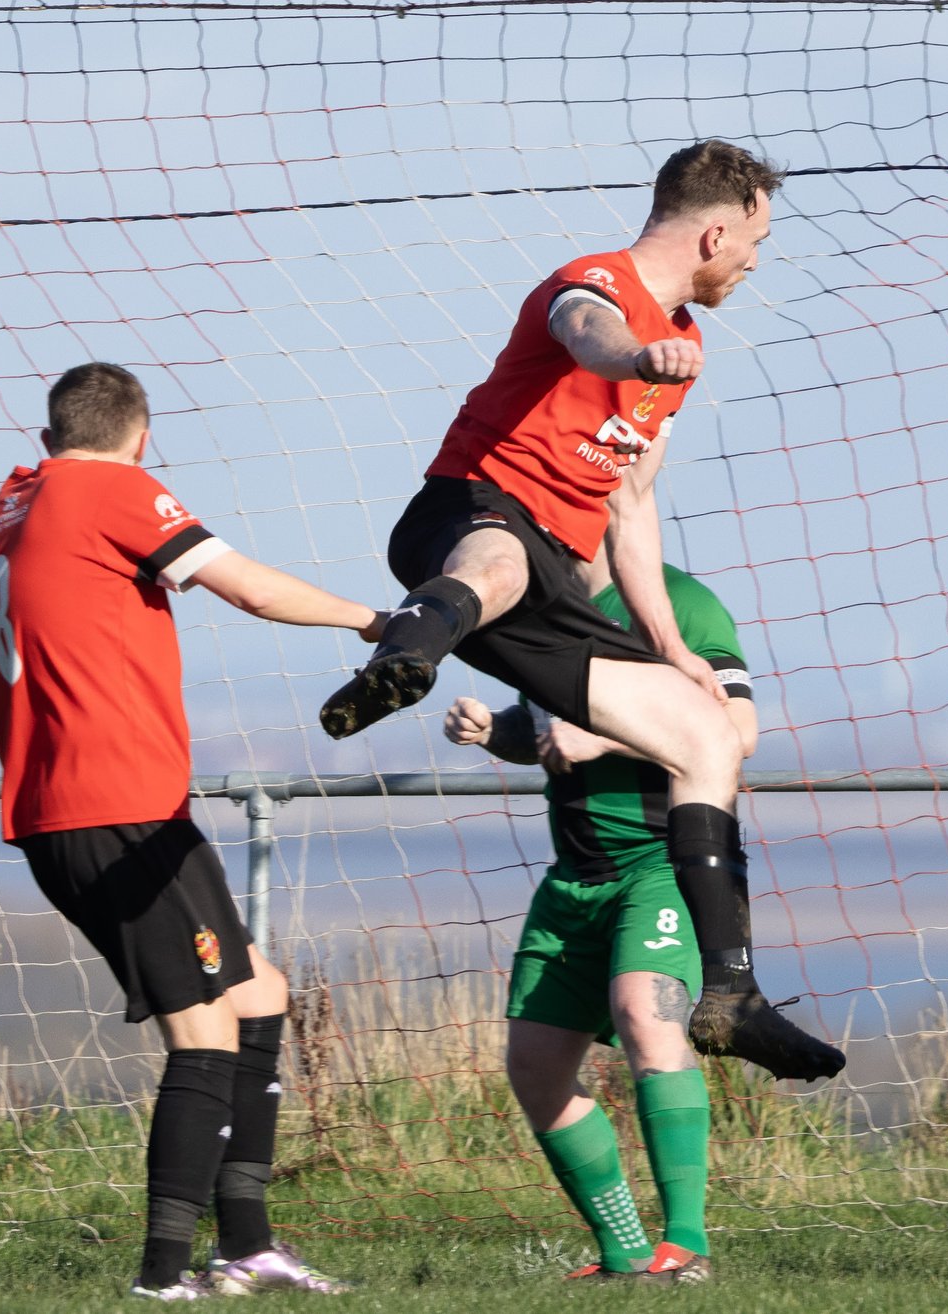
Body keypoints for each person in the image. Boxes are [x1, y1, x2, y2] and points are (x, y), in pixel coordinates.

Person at [317, 140, 839, 1082]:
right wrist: (638, 351)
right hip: (463, 512)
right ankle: (414, 641)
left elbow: (631, 505)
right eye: (757, 240)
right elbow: (587, 330)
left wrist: (674, 649)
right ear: (718, 230)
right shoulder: (595, 285)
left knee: (707, 738)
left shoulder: (689, 344)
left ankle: (730, 992)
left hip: (555, 571)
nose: (757, 261)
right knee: (502, 556)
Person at [0, 362, 375, 1300]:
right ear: (143, 438)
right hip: (110, 808)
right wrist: (375, 620)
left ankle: (248, 1245)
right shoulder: (112, 484)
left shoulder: (15, 501)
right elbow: (251, 591)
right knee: (203, 1034)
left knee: (258, 994)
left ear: (45, 438)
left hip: (101, 809)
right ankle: (163, 1276)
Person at [443, 558, 758, 1286]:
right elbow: (551, 729)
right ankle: (623, 1253)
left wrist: (605, 738)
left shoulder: (681, 603)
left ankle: (686, 1246)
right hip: (575, 877)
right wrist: (496, 730)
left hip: (663, 859)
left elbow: (737, 729)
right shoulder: (535, 606)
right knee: (535, 1065)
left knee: (648, 1019)